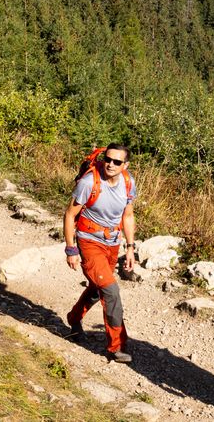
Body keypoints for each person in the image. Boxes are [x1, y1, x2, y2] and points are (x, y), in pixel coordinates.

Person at [63, 144, 137, 364]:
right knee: (111, 291)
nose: (110, 164)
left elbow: (128, 216)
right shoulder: (89, 182)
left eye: (117, 162)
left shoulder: (128, 182)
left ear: (125, 165)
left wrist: (130, 248)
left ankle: (74, 318)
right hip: (89, 241)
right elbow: (69, 215)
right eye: (108, 159)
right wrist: (71, 249)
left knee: (97, 289)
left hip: (112, 243)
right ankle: (117, 347)